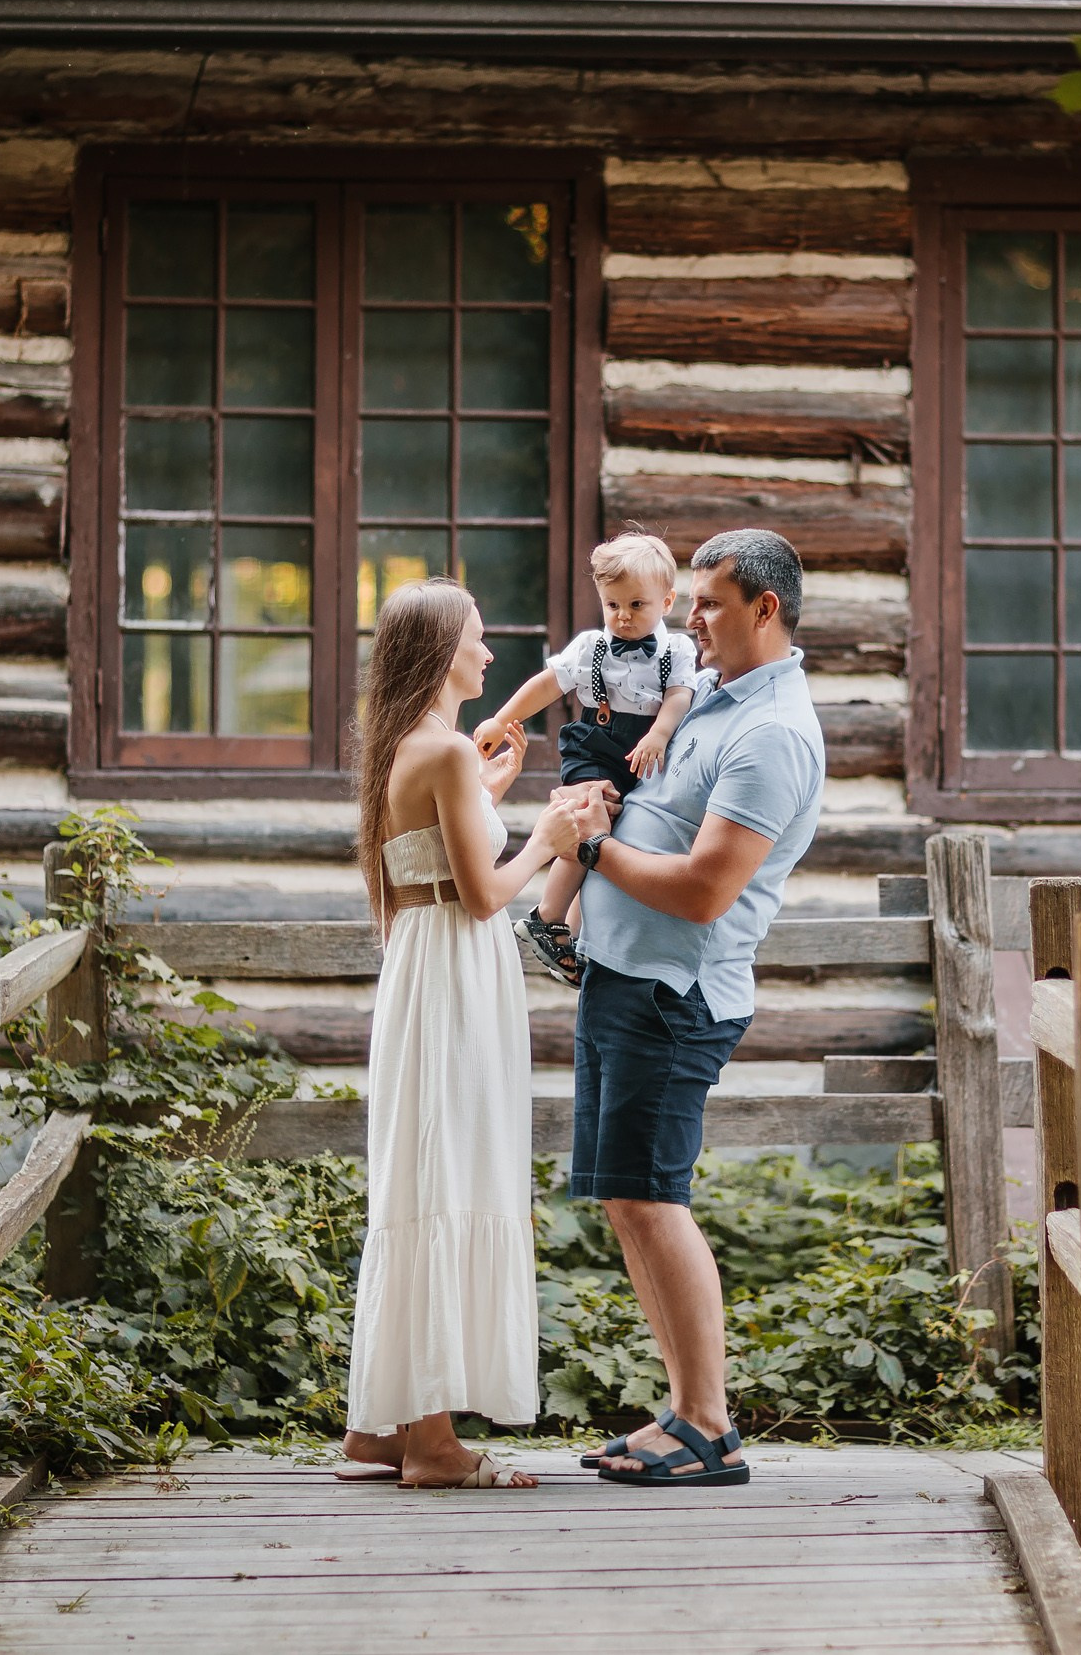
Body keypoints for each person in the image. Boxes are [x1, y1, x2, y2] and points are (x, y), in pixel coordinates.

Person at [559, 529, 825, 1487]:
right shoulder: (710, 693)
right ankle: (681, 1410)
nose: (690, 616)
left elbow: (708, 889)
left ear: (765, 609)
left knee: (653, 1198)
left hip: (677, 995)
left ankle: (710, 1426)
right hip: (621, 973)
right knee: (626, 1201)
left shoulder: (774, 732)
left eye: (709, 601)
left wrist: (587, 853)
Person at [338, 577, 591, 1490]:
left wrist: (486, 792)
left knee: (425, 1168)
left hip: (429, 964)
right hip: (456, 968)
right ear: (444, 650)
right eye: (479, 640)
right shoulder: (439, 749)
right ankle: (435, 1444)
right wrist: (551, 835)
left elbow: (432, 858)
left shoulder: (415, 748)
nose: (490, 655)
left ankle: (384, 1426)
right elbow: (486, 891)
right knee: (448, 1171)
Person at [471, 531, 698, 988]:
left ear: (667, 601)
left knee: (611, 837)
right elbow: (546, 684)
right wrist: (501, 720)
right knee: (588, 816)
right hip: (594, 746)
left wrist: (659, 733)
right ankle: (546, 916)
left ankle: (571, 934)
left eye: (637, 605)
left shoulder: (677, 650)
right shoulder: (589, 647)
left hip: (645, 751)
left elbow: (679, 697)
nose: (623, 616)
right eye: (613, 605)